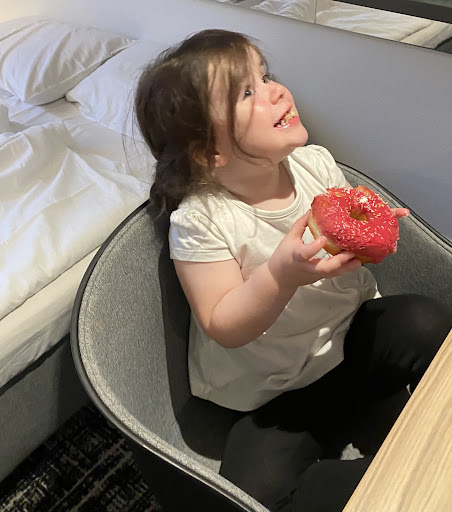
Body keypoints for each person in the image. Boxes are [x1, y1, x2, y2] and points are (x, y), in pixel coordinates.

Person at [134, 29, 451, 511]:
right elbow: (222, 323)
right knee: (253, 494)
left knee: (427, 320)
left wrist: (372, 230)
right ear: (209, 151)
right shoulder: (202, 220)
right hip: (277, 393)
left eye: (266, 76)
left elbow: (352, 256)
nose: (276, 90)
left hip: (351, 342)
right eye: (247, 92)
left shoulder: (314, 165)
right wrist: (278, 277)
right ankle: (392, 482)